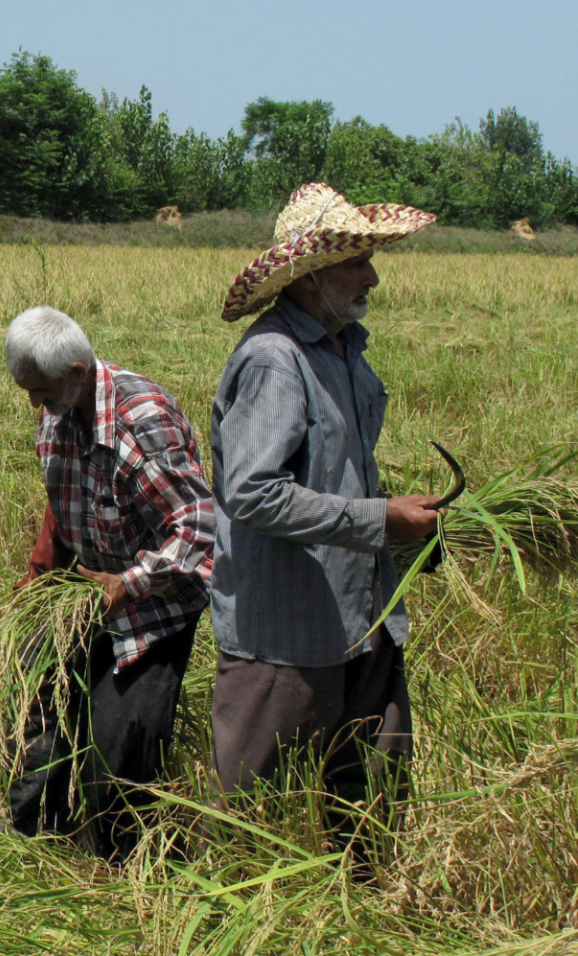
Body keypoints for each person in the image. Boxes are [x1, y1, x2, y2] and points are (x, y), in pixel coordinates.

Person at [209, 183, 441, 851]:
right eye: (355, 261)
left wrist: (402, 523)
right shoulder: (274, 361)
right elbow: (252, 491)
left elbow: (343, 473)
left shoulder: (344, 351)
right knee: (251, 818)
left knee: (371, 798)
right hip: (286, 630)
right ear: (310, 277)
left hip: (364, 614)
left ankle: (367, 916)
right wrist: (377, 520)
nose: (372, 275)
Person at [3, 306, 215, 858]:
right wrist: (37, 582)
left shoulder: (141, 423)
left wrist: (129, 583)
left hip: (153, 608)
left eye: (42, 391)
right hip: (82, 597)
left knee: (117, 759)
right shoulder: (57, 410)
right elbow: (62, 505)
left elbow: (199, 526)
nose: (35, 405)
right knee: (37, 721)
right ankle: (35, 847)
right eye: (28, 391)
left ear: (76, 372)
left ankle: (124, 871)